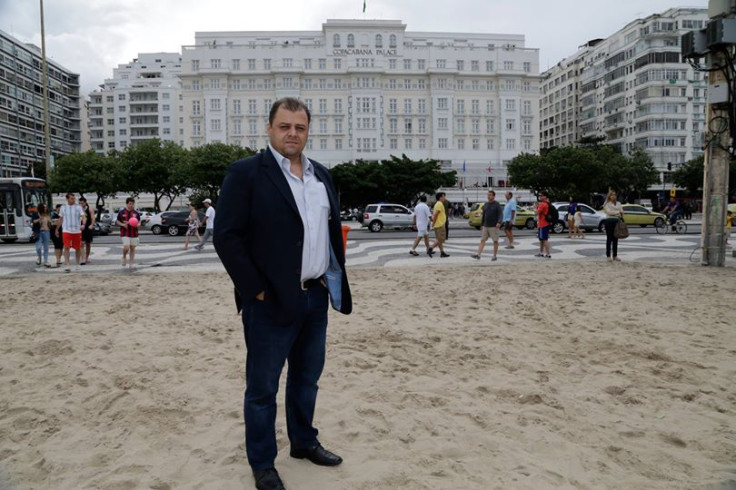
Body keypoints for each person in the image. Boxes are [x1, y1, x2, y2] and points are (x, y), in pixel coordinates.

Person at [213, 97, 352, 490]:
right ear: (270, 128)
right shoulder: (245, 174)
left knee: (307, 380)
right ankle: (262, 463)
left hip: (315, 298)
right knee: (262, 388)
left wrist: (329, 275)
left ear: (309, 131)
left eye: (300, 127)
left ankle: (304, 442)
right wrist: (255, 290)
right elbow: (227, 236)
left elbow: (325, 233)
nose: (293, 133)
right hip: (269, 302)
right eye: (285, 126)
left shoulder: (321, 175)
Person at [57, 193, 86, 273]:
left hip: (77, 230)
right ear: (67, 199)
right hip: (66, 230)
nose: (74, 200)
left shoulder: (78, 207)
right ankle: (67, 265)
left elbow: (83, 216)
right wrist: (57, 229)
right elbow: (61, 218)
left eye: (74, 198)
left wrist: (83, 224)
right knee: (66, 247)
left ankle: (77, 264)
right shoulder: (63, 207)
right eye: (72, 198)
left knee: (78, 248)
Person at [471, 190, 503, 261]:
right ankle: (478, 254)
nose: (488, 196)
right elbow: (484, 215)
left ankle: (494, 256)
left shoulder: (497, 204)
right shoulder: (486, 204)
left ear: (494, 196)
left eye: (490, 195)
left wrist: (499, 222)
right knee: (482, 240)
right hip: (486, 226)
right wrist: (482, 224)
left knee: (495, 241)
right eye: (488, 195)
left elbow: (500, 214)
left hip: (494, 226)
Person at [116, 197, 141, 269]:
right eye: (130, 204)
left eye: (132, 204)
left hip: (134, 233)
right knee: (126, 247)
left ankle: (131, 263)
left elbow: (139, 222)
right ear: (127, 204)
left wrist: (137, 225)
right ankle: (124, 257)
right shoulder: (121, 212)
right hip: (125, 233)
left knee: (132, 248)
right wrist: (123, 224)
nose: (131, 205)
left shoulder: (136, 213)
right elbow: (117, 222)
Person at [603, 190, 625, 262]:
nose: (614, 196)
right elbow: (609, 212)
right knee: (609, 239)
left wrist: (617, 213)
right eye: (612, 195)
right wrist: (617, 212)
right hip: (609, 221)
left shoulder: (618, 203)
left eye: (615, 195)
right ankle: (608, 256)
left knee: (616, 238)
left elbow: (622, 212)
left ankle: (615, 255)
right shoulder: (606, 204)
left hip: (617, 222)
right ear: (609, 196)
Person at [428, 192, 450, 258]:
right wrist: (433, 223)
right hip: (440, 224)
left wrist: (433, 223)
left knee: (438, 239)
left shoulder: (437, 204)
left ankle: (442, 252)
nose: (444, 198)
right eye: (444, 196)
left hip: (438, 224)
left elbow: (434, 214)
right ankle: (431, 248)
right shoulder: (440, 204)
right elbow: (436, 214)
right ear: (440, 197)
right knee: (441, 239)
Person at [31, 203, 52, 267]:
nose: (45, 208)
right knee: (38, 247)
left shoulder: (48, 214)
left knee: (46, 247)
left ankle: (46, 261)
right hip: (38, 231)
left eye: (46, 207)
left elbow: (50, 222)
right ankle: (39, 257)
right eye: (44, 207)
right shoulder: (36, 213)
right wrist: (39, 219)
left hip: (46, 231)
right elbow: (33, 221)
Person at [79, 196, 96, 265]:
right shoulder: (78, 209)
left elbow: (93, 217)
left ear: (85, 203)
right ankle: (83, 258)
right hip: (80, 228)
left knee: (88, 243)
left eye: (82, 203)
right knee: (81, 243)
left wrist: (92, 225)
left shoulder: (89, 208)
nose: (81, 204)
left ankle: (87, 256)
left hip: (88, 227)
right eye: (79, 203)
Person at [535, 191, 551, 258]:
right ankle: (541, 252)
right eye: (539, 195)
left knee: (544, 239)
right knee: (541, 239)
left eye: (541, 195)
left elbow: (536, 213)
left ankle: (548, 254)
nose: (540, 197)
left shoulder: (542, 204)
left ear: (545, 196)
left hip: (543, 224)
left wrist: (535, 207)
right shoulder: (547, 203)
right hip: (544, 223)